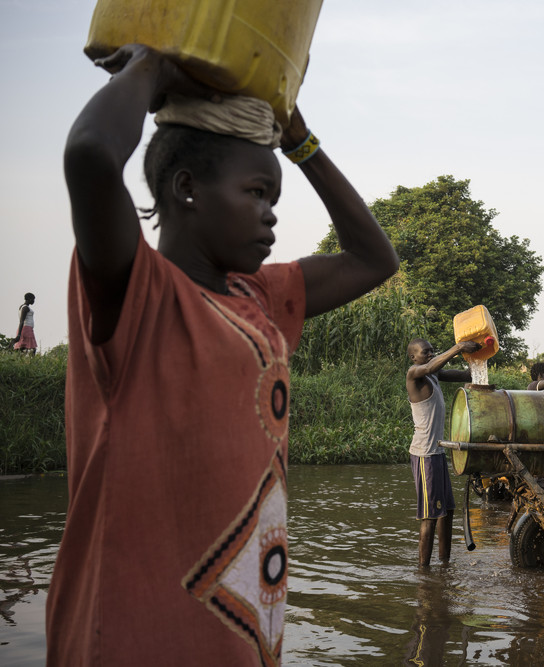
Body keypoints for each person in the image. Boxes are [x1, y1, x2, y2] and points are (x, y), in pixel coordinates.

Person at [47, 44, 398, 666]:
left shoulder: (256, 296)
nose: (270, 216)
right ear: (186, 189)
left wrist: (301, 141)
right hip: (133, 638)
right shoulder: (138, 291)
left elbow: (375, 260)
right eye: (257, 193)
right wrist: (151, 68)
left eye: (274, 200)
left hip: (238, 641)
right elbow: (91, 155)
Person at [406, 338, 480, 566]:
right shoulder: (414, 375)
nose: (429, 355)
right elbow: (429, 367)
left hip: (436, 454)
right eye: (424, 352)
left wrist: (477, 357)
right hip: (424, 455)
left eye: (431, 351)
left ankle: (445, 564)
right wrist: (458, 347)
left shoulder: (434, 376)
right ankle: (424, 572)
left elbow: (467, 375)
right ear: (413, 357)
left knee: (446, 512)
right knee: (429, 518)